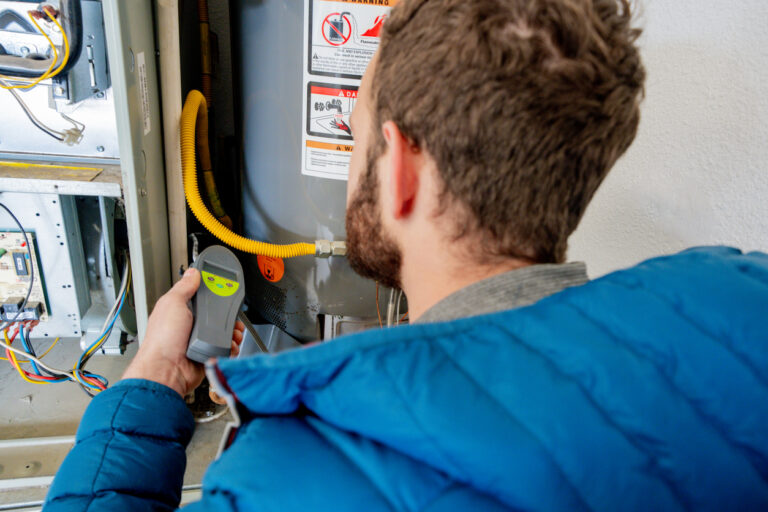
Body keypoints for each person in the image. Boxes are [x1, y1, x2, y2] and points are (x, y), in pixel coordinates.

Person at [45, 0, 768, 510]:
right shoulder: (742, 321)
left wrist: (155, 377)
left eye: (355, 132)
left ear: (403, 171)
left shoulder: (287, 481)